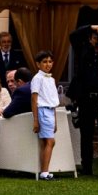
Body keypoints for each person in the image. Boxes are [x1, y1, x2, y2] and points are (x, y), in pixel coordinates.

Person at [68, 24, 98, 175]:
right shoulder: (83, 49)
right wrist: (91, 27)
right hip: (85, 97)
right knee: (86, 134)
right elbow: (73, 36)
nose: (96, 40)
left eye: (97, 38)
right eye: (94, 38)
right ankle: (87, 167)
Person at [31, 51, 60, 181]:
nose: (48, 64)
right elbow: (34, 99)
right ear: (38, 64)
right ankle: (44, 172)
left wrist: (55, 119)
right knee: (50, 141)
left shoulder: (51, 79)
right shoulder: (37, 78)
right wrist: (36, 120)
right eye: (44, 62)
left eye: (50, 61)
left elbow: (53, 100)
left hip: (50, 111)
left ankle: (44, 171)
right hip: (42, 111)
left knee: (46, 142)